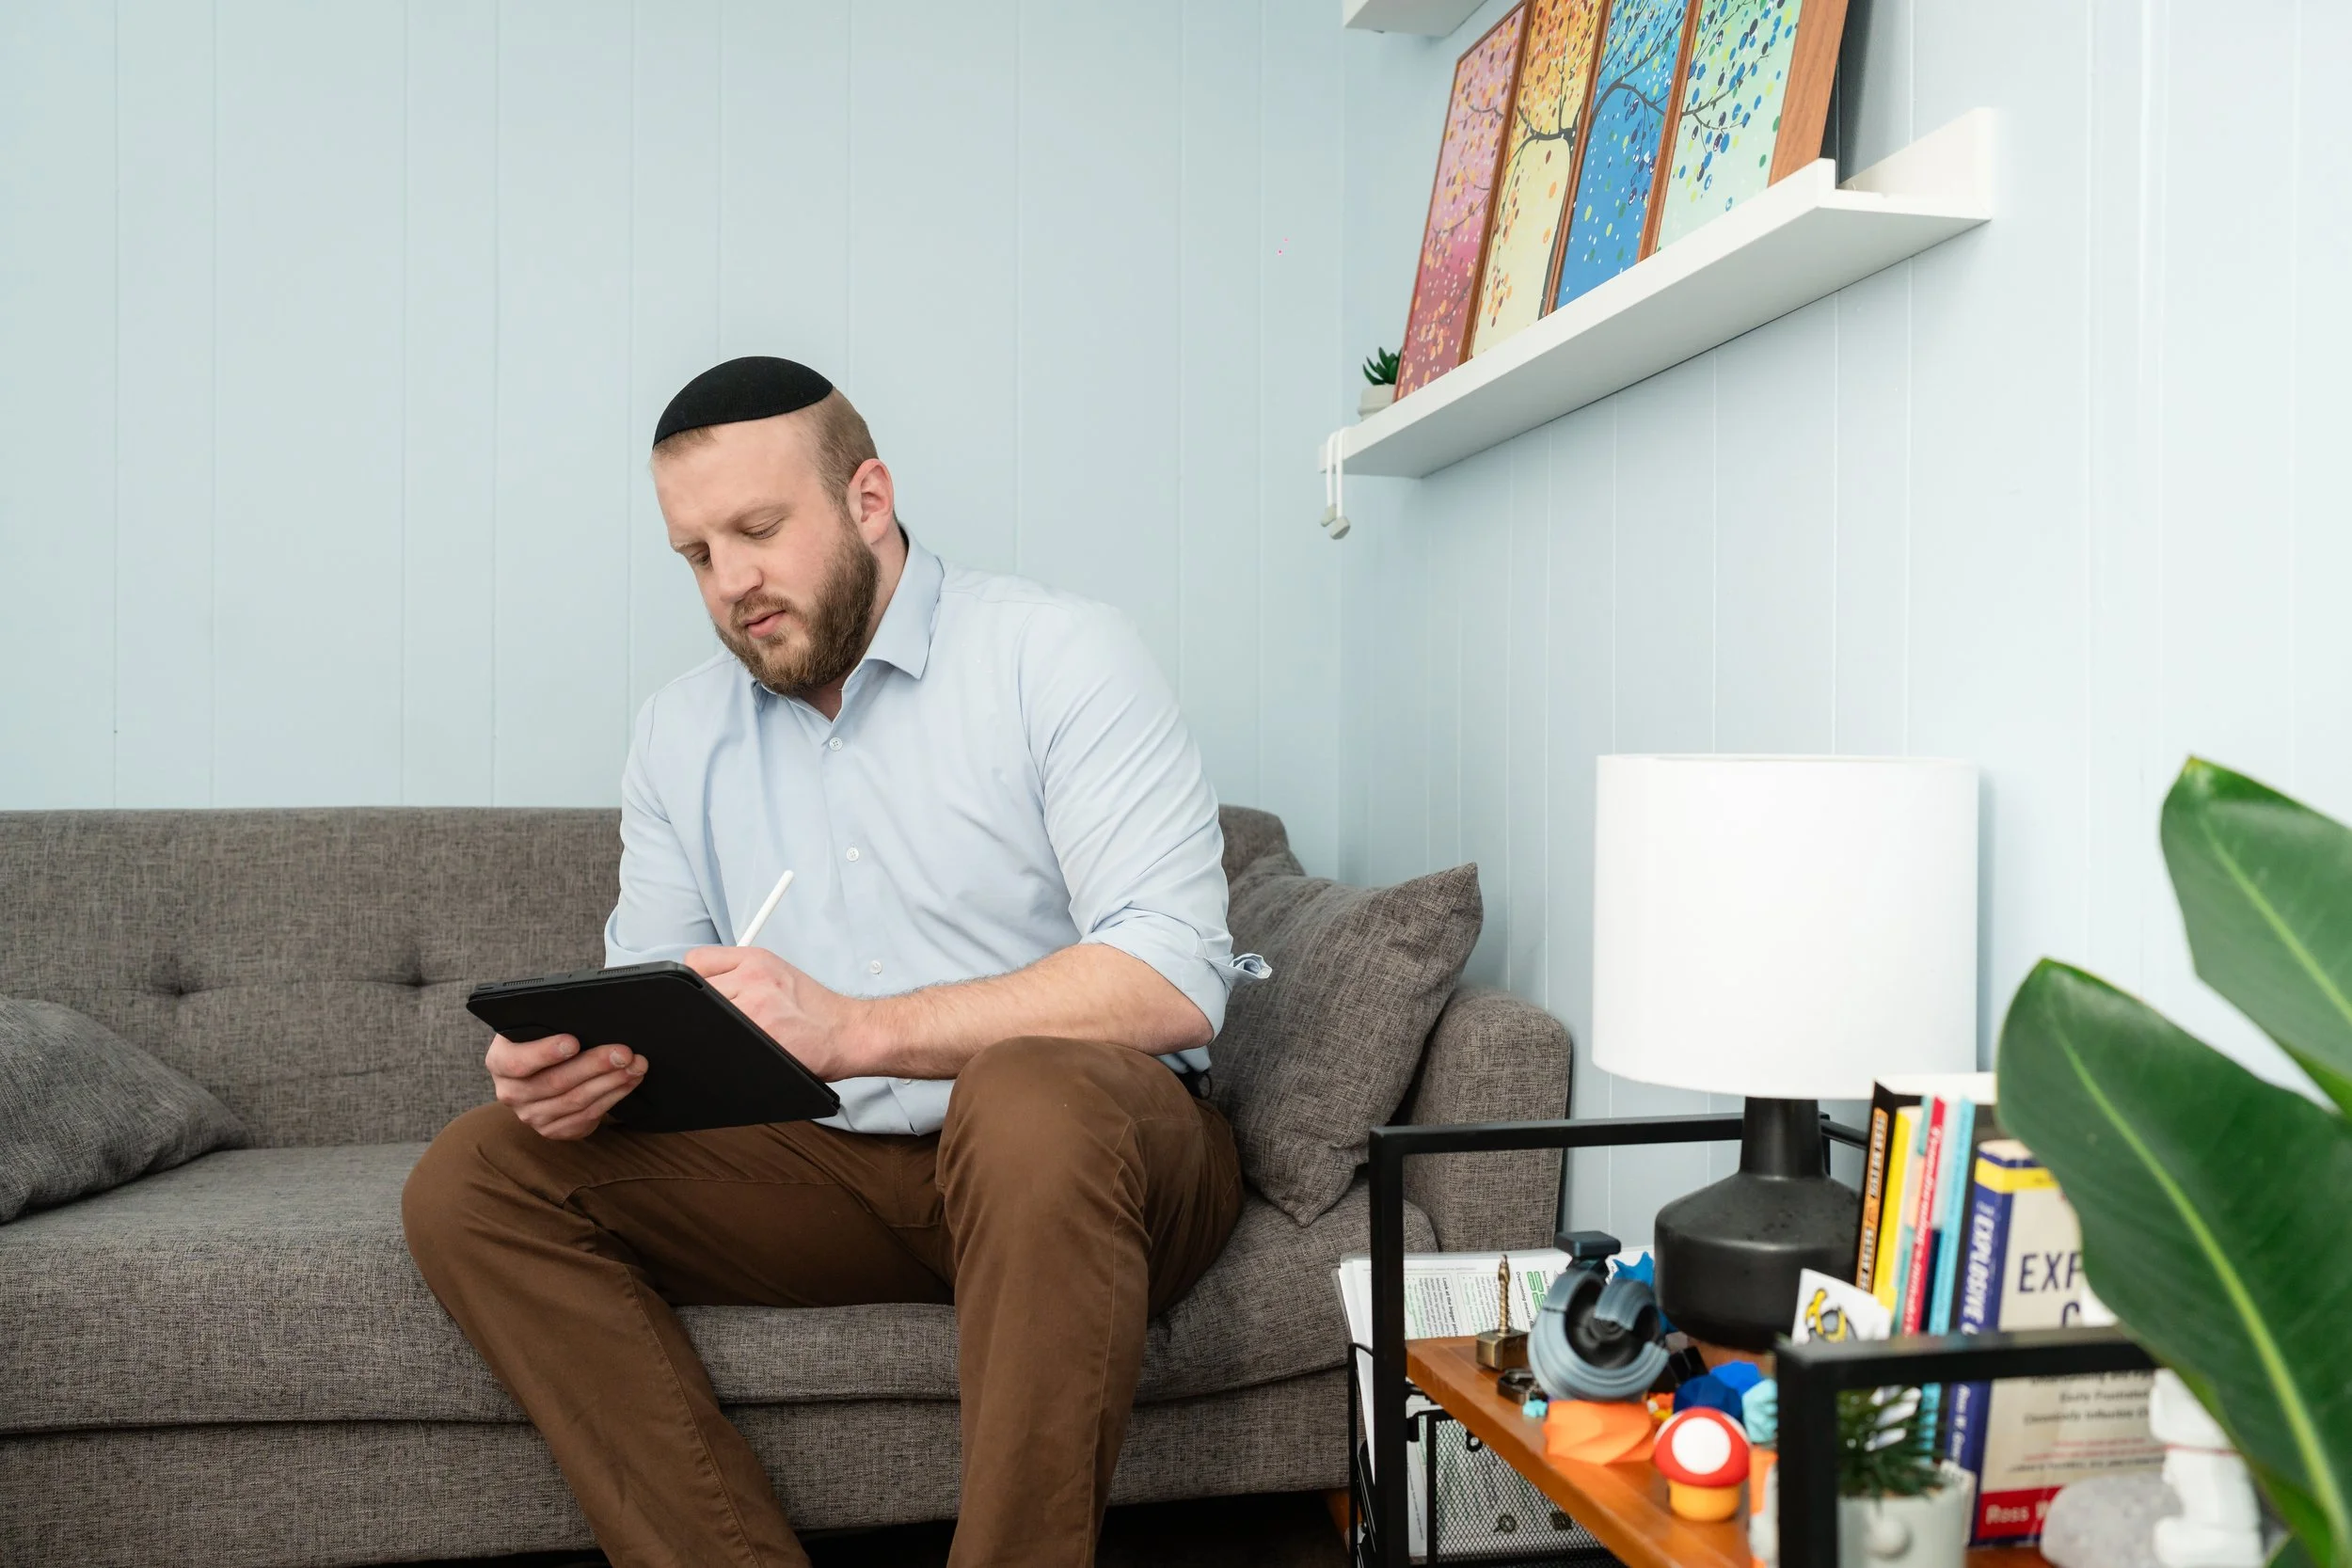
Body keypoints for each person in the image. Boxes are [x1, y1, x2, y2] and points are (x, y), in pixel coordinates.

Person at [402, 356, 1263, 1568]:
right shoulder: (678, 734)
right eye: (698, 556)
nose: (732, 584)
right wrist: (579, 1073)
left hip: (1096, 1161)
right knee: (476, 1177)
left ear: (868, 500)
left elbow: (1173, 978)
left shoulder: (1059, 656)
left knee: (1025, 1095)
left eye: (759, 531)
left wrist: (858, 1026)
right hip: (850, 1171)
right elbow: (657, 1003)